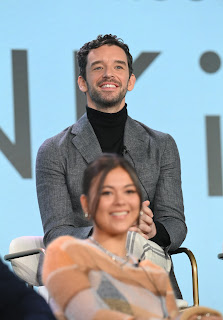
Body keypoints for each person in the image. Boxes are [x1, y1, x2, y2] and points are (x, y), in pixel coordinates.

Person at [36, 34, 187, 296]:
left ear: (130, 80)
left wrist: (152, 231)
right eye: (98, 68)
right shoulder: (53, 151)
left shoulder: (162, 145)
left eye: (118, 67)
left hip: (154, 288)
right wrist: (108, 230)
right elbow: (57, 235)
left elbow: (175, 223)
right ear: (82, 82)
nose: (109, 74)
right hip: (87, 287)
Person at [42, 154, 222, 320]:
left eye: (129, 192)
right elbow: (91, 313)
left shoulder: (153, 273)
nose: (120, 201)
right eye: (107, 192)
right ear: (86, 204)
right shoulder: (66, 253)